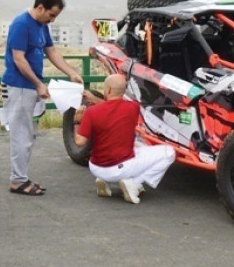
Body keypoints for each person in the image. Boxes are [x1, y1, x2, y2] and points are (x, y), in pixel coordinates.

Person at [2, 0, 82, 195]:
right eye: (51, 15)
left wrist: (71, 73)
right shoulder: (21, 24)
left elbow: (52, 51)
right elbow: (19, 59)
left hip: (31, 86)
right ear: (40, 8)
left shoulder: (41, 25)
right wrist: (38, 84)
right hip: (20, 86)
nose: (52, 20)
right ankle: (18, 180)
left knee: (29, 134)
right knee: (21, 134)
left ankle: (21, 177)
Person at [74, 74, 176, 203]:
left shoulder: (91, 112)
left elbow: (79, 142)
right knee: (169, 152)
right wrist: (95, 99)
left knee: (138, 145)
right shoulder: (133, 107)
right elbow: (113, 106)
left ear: (108, 90)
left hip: (96, 167)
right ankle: (134, 184)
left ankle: (105, 181)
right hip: (121, 169)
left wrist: (77, 122)